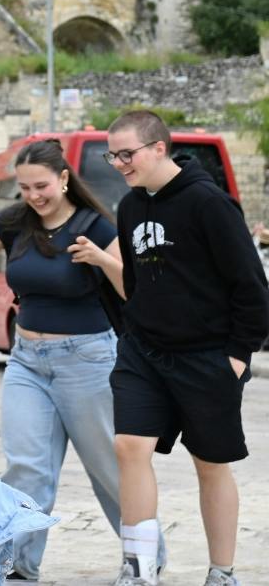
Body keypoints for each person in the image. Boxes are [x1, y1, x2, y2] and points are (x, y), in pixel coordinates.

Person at [0, 139, 141, 582]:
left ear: (65, 179)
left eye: (42, 186)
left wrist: (101, 258)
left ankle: (142, 558)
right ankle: (18, 564)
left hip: (87, 359)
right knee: (26, 467)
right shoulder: (15, 221)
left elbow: (135, 289)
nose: (34, 195)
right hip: (26, 361)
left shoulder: (94, 225)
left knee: (107, 467)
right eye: (25, 187)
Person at [105, 110, 269, 586]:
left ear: (159, 148)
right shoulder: (130, 207)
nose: (118, 163)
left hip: (207, 356)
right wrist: (130, 335)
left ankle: (222, 572)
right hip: (143, 352)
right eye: (111, 154)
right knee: (129, 446)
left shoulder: (209, 204)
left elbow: (252, 289)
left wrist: (237, 357)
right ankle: (137, 568)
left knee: (210, 464)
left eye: (126, 153)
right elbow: (133, 285)